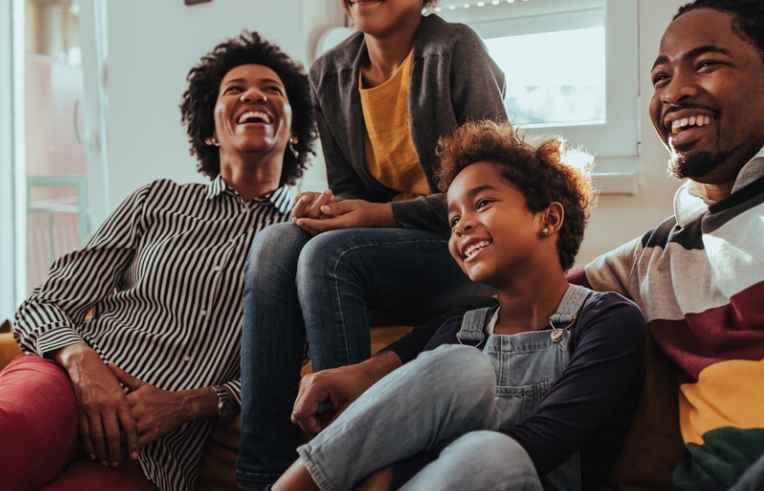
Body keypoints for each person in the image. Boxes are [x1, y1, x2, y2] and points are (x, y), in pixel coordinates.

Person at [295, 0, 764, 490]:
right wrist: (372, 369)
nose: (672, 91)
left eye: (704, 64)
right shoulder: (658, 252)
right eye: (660, 76)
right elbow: (518, 309)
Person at [0, 32, 317, 491]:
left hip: (156, 451)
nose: (254, 95)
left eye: (273, 90)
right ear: (210, 129)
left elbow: (291, 373)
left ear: (294, 130)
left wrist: (191, 404)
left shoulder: (306, 236)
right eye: (236, 89)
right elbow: (44, 304)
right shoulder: (156, 200)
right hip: (65, 386)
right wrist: (82, 365)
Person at [237, 0, 508, 489]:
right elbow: (352, 191)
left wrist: (377, 218)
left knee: (332, 253)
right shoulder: (330, 73)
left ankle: (351, 464)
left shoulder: (455, 50)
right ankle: (258, 474)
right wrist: (326, 207)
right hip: (395, 259)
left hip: (466, 256)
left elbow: (494, 199)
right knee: (278, 244)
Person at [271, 121, 645, 491]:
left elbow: (545, 441)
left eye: (481, 203)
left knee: (491, 452)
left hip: (516, 477)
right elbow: (406, 416)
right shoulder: (459, 332)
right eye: (453, 220)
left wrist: (387, 478)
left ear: (548, 219)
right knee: (462, 365)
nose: (462, 225)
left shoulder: (608, 321)